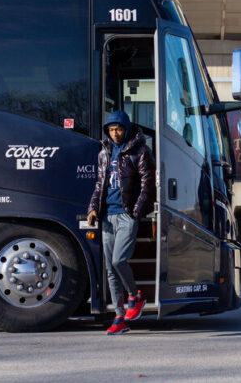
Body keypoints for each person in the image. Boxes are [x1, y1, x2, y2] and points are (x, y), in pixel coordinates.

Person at [88, 110, 156, 335]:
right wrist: (93, 209)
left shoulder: (140, 152)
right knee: (110, 269)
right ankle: (119, 318)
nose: (114, 133)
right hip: (107, 215)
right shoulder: (104, 152)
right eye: (111, 129)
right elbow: (99, 183)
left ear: (126, 129)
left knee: (119, 260)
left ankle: (136, 297)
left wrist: (136, 212)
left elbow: (148, 185)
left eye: (118, 129)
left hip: (126, 215)